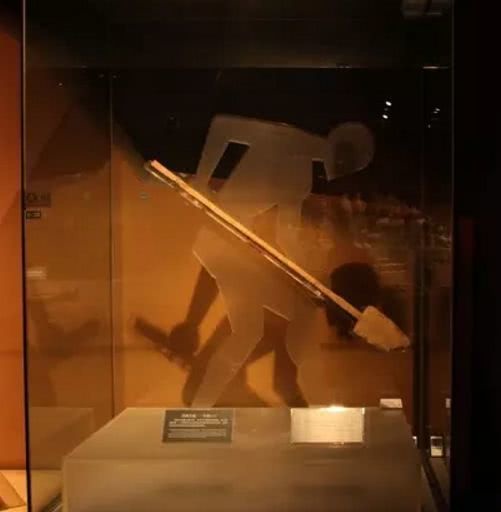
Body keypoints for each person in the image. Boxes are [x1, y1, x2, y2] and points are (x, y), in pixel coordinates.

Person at [171, 114, 374, 406]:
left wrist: (307, 275)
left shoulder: (302, 178)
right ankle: (202, 409)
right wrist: (201, 178)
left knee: (248, 334)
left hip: (233, 247)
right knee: (248, 332)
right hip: (225, 241)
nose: (339, 173)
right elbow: (221, 126)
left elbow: (286, 237)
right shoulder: (286, 141)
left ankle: (203, 408)